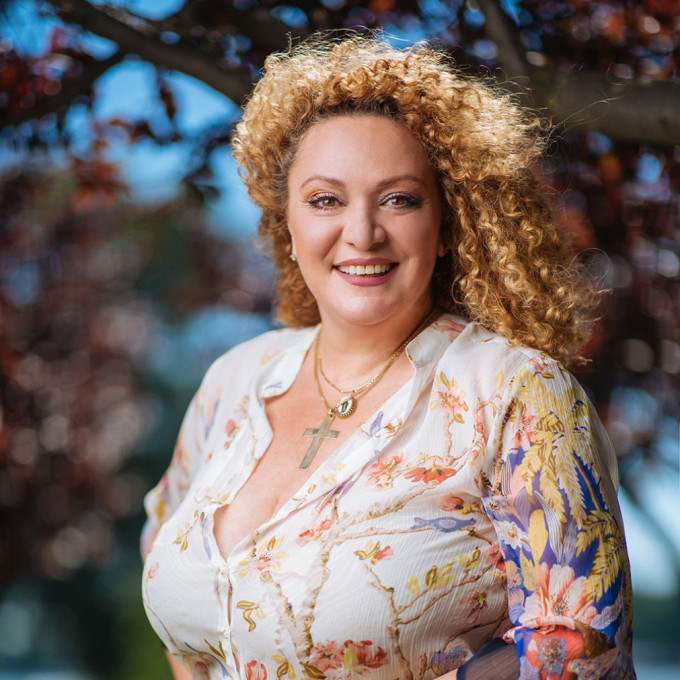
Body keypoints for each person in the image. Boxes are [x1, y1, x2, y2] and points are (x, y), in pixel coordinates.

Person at [141, 34, 636, 680]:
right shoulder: (234, 379)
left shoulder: (518, 392)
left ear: (447, 225)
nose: (362, 233)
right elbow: (168, 557)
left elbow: (583, 650)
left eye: (399, 199)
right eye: (326, 200)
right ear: (287, 223)